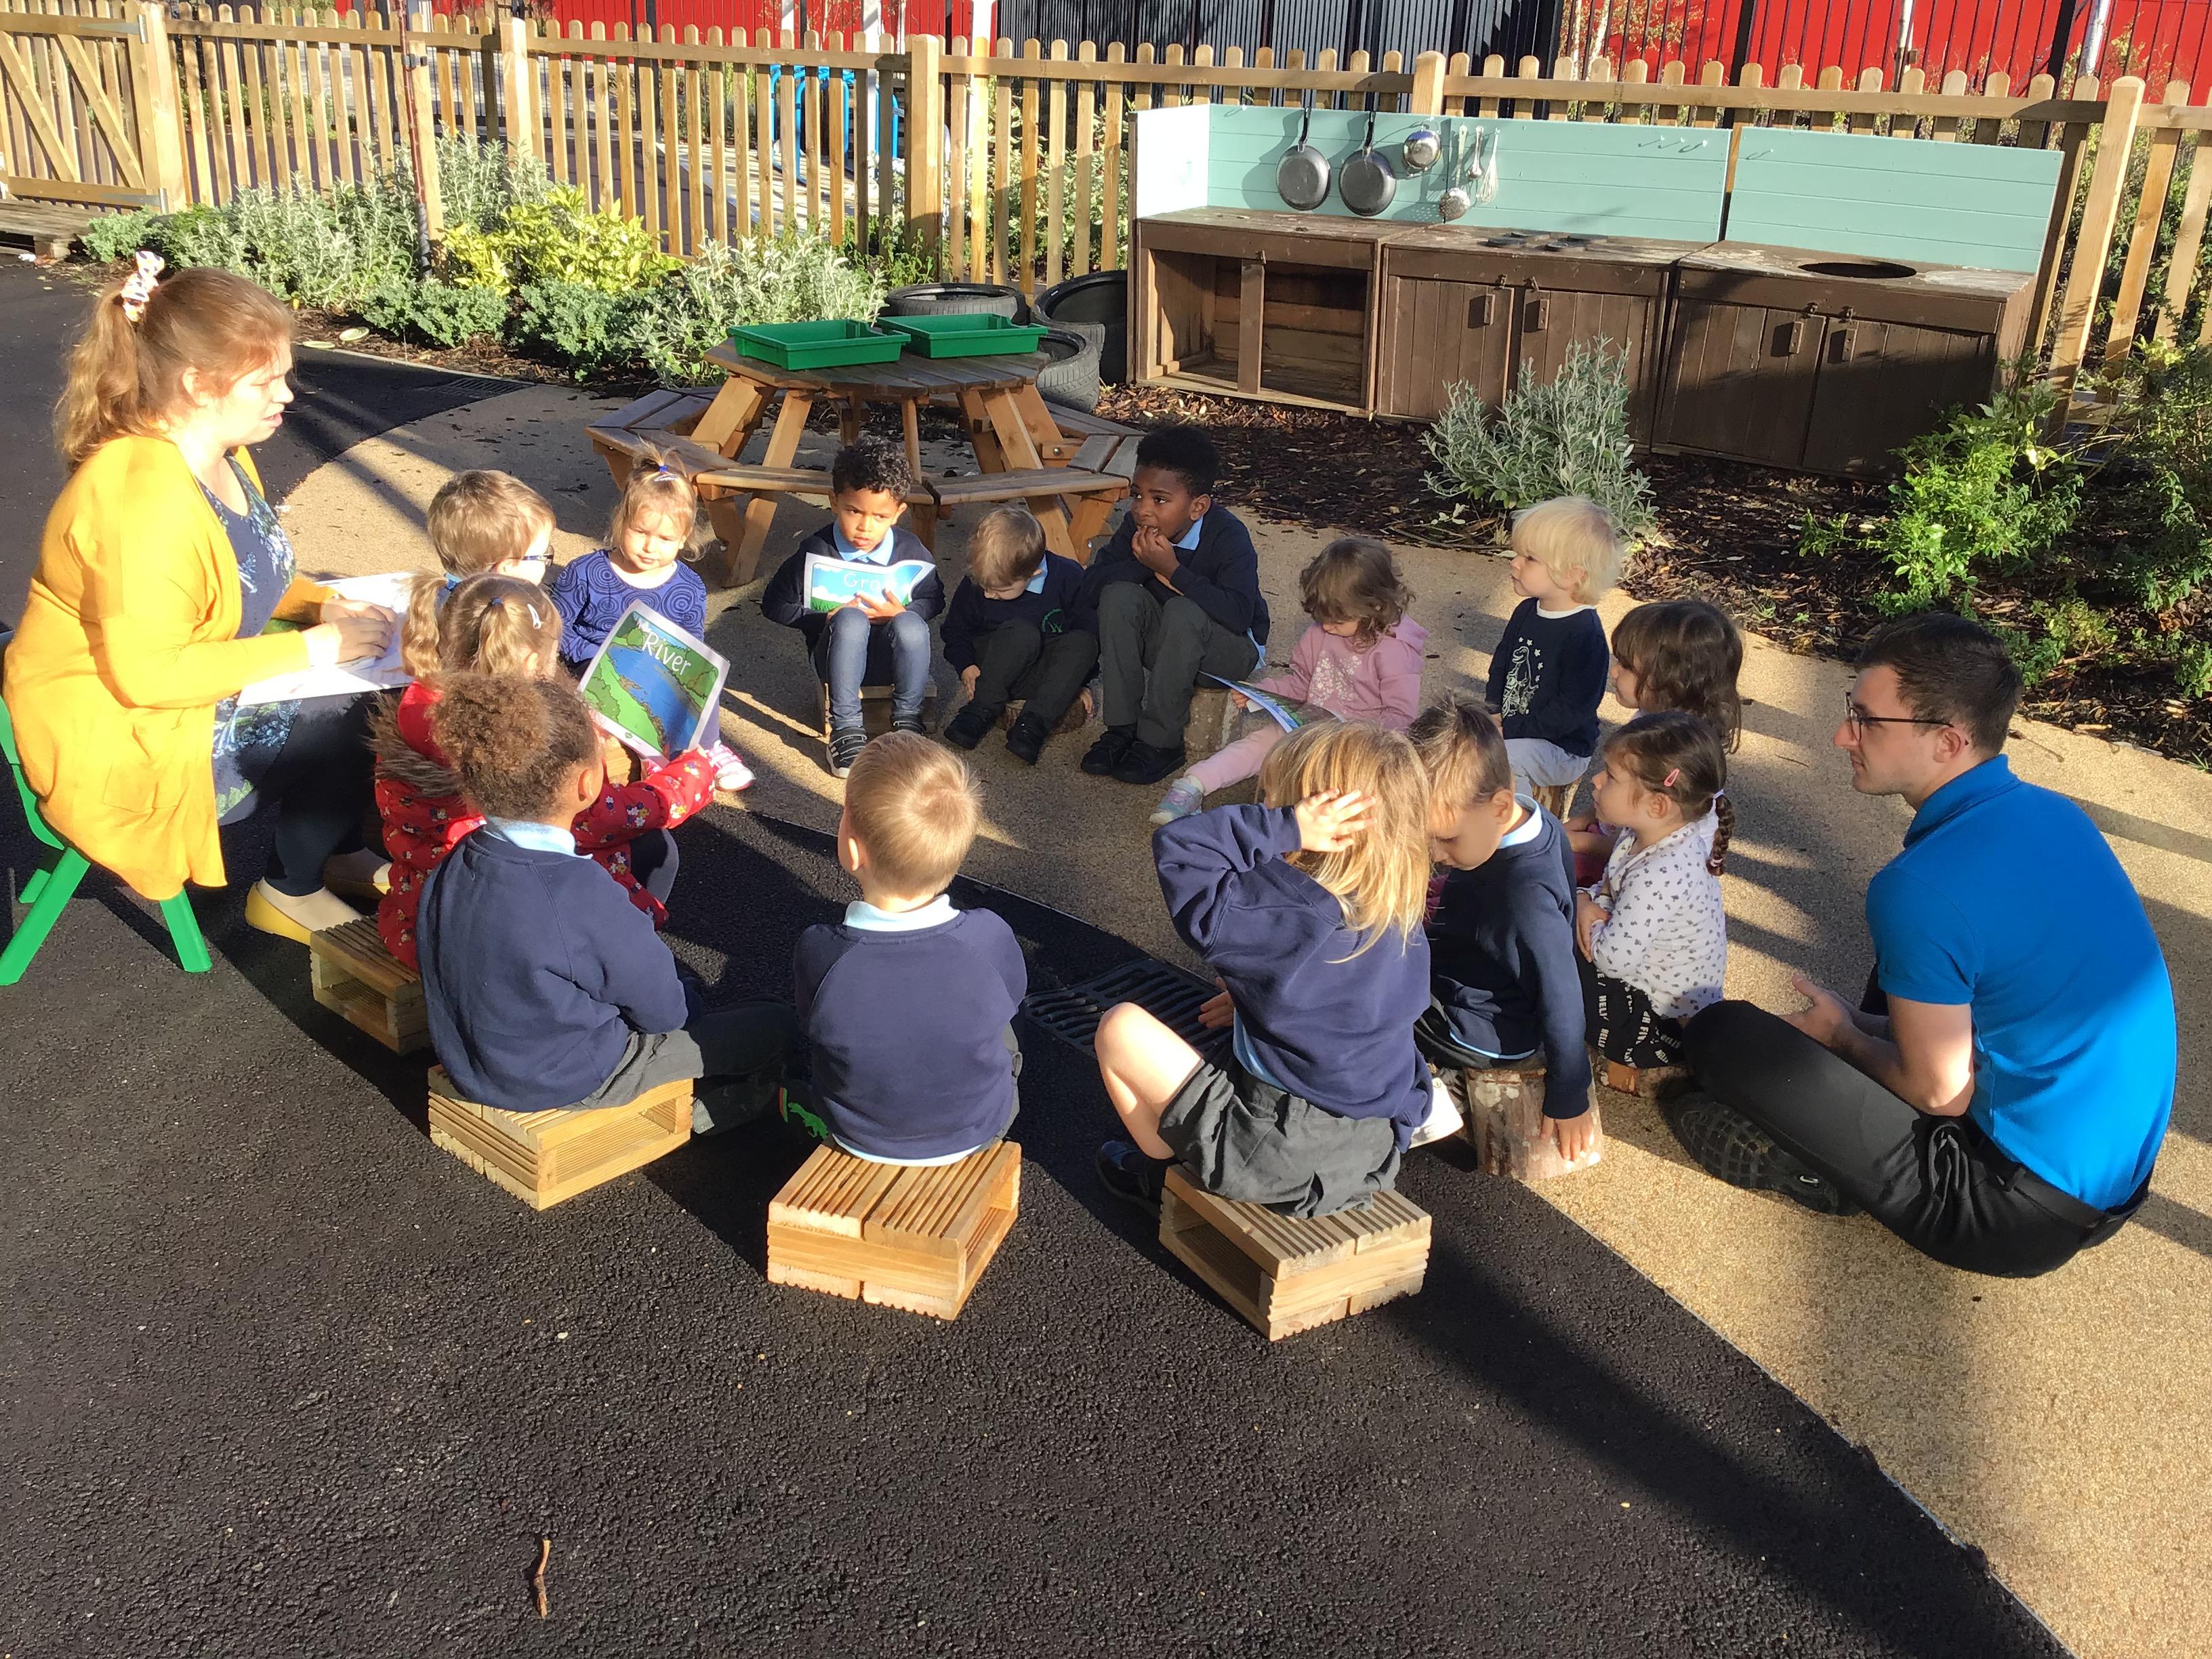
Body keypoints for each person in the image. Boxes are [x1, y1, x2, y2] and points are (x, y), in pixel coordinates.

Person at [1676, 614, 2177, 1276]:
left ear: (1948, 741)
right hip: (2107, 1183)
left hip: (2010, 1215)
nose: (1842, 736)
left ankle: (1826, 1173)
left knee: (1722, 1035)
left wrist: (1844, 1038)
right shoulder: (2055, 813)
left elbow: (1941, 1093)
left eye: (1867, 721)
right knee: (1915, 955)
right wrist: (1862, 1024)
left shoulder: (1921, 885)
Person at [3, 260, 394, 943]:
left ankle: (337, 848)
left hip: (174, 697)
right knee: (355, 710)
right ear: (196, 384)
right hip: (130, 739)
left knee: (374, 678)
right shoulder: (143, 501)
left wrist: (319, 608)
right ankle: (291, 890)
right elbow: (151, 676)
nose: (286, 394)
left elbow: (248, 571)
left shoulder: (221, 451)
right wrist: (317, 648)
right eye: (264, 381)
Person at [414, 672, 796, 1130]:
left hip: (470, 1062)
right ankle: (706, 1117)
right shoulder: (580, 891)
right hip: (572, 1077)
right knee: (773, 1023)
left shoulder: (455, 861)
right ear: (587, 783)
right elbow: (665, 1014)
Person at [1093, 721, 1434, 1218]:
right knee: (1239, 1005)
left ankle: (1161, 1171)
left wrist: (1285, 827)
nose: (1263, 806)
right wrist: (1255, 999)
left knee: (1120, 1028)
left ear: (1319, 822)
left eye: (1273, 801)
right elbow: (1343, 1007)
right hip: (1372, 1150)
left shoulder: (1281, 911)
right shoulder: (1399, 914)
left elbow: (1181, 848)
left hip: (1273, 1153)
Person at [371, 573, 721, 970]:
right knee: (652, 850)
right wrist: (693, 775)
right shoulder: (527, 747)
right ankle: (632, 965)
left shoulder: (420, 703)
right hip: (515, 945)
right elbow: (605, 817)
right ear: (531, 662)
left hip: (420, 922)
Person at [792, 733, 1027, 1162]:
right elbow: (1013, 997)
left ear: (852, 850)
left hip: (858, 1134)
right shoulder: (988, 937)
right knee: (1000, 1024)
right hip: (978, 1128)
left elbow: (811, 1024)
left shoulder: (822, 951)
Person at [1410, 695, 1594, 1161]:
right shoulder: (1538, 821)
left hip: (1479, 1027)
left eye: (1446, 839)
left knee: (1371, 994)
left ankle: (1425, 1106)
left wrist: (1569, 1091)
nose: (1434, 852)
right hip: (1481, 984)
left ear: (1499, 805)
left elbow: (1560, 989)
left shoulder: (1522, 895)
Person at [1149, 536, 1425, 826]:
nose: (1327, 627)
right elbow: (1301, 683)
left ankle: (1285, 821)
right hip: (1309, 729)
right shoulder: (1320, 633)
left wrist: (1354, 738)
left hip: (1358, 749)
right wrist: (1262, 693)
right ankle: (1193, 784)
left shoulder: (1395, 651)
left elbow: (1401, 718)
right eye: (1322, 617)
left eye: (1337, 620)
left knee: (1333, 792)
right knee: (1259, 744)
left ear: (1375, 607)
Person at [1080, 425, 1269, 787]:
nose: (1142, 510)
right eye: (1137, 495)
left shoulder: (1228, 536)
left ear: (1198, 507)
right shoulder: (1135, 529)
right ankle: (1122, 728)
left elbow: (1238, 615)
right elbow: (1090, 589)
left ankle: (1161, 741)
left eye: (1160, 500)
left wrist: (1173, 571)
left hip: (1228, 654)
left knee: (1185, 610)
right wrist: (1144, 563)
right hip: (1170, 646)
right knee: (1119, 595)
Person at [761, 438, 945, 779]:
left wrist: (902, 613)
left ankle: (908, 722)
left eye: (880, 516)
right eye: (854, 511)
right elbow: (774, 604)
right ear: (834, 502)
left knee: (911, 624)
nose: (865, 526)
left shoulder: (911, 549)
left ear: (898, 513)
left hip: (894, 661)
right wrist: (822, 618)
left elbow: (935, 599)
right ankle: (845, 729)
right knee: (850, 619)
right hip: (836, 659)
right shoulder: (816, 550)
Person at [1574, 711, 1732, 1083]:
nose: (1597, 780)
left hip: (1655, 1029)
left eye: (1611, 776)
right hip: (1655, 1002)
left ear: (1658, 805)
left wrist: (1583, 904)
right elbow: (1609, 889)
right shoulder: (1645, 835)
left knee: (1550, 938)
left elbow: (1612, 959)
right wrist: (1589, 900)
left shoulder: (1661, 872)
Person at [1566, 599, 1742, 885]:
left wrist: (1577, 841)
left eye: (1627, 666)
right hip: (1614, 842)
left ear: (1672, 681)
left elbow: (1648, 849)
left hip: (1641, 872)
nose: (1614, 672)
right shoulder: (1650, 720)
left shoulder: (1677, 753)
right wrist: (1580, 822)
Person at [1486, 495, 1622, 800]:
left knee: (1505, 760)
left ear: (1572, 574)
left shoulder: (1585, 635)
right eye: (1517, 554)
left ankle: (1520, 822)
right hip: (1513, 729)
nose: (1515, 562)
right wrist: (1493, 710)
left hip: (1562, 748)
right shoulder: (1526, 611)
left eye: (1530, 558)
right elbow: (1502, 663)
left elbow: (1571, 710)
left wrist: (1512, 729)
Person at [939, 505, 1099, 764]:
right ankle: (980, 709)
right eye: (984, 586)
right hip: (996, 669)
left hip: (1045, 673)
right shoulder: (980, 580)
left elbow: (1088, 631)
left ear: (1033, 574)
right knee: (1021, 632)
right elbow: (955, 630)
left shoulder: (1069, 577)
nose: (988, 595)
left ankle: (1033, 725)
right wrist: (965, 665)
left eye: (1000, 590)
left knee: (1084, 642)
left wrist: (1077, 681)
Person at [550, 451, 711, 672]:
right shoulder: (584, 573)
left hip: (652, 676)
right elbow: (555, 627)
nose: (650, 547)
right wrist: (596, 658)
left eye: (665, 538)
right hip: (587, 668)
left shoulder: (689, 588)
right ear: (621, 519)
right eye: (641, 532)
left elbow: (690, 651)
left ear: (684, 537)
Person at [391, 469, 558, 678]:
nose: (548, 561)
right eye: (543, 555)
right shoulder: (502, 619)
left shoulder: (434, 597)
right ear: (506, 568)